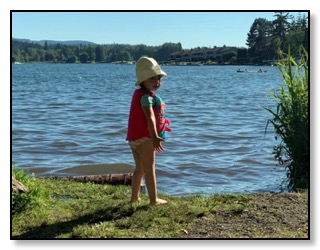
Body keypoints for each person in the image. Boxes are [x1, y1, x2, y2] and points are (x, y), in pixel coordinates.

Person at [126, 56, 171, 206]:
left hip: (133, 138)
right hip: (145, 138)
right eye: (152, 79)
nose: (157, 82)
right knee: (149, 169)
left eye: (158, 78)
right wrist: (156, 136)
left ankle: (134, 198)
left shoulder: (138, 94)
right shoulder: (146, 98)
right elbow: (150, 118)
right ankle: (153, 200)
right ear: (143, 80)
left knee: (139, 168)